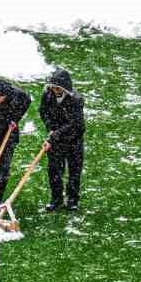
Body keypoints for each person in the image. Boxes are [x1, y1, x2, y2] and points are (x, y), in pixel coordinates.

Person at [39, 68, 87, 211]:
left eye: (57, 88)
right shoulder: (47, 95)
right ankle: (56, 199)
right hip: (56, 140)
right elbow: (43, 112)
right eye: (53, 87)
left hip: (74, 139)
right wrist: (50, 128)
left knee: (74, 171)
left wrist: (56, 134)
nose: (55, 90)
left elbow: (76, 124)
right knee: (54, 170)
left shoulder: (76, 100)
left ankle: (72, 200)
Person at [0, 78, 32, 205]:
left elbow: (27, 100)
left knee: (4, 168)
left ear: (6, 96)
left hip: (7, 134)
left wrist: (15, 118)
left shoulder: (16, 94)